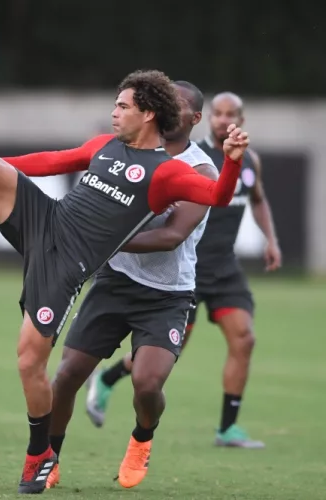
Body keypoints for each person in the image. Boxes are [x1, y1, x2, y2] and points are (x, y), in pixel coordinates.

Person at [0, 70, 248, 494]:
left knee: (29, 362)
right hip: (46, 221)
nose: (113, 113)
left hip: (69, 265)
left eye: (122, 106)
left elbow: (218, 196)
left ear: (147, 114)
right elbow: (52, 161)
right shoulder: (105, 146)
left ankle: (40, 455)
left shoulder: (167, 173)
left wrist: (232, 160)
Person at [45, 81, 218, 490]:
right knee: (67, 374)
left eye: (179, 106)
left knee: (146, 384)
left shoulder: (200, 170)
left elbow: (171, 236)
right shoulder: (125, 152)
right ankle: (47, 457)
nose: (166, 109)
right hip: (115, 280)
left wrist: (98, 239)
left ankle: (142, 438)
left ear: (194, 119)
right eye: (162, 102)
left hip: (167, 294)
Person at [86, 91, 281, 450]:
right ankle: (109, 377)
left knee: (245, 338)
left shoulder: (248, 160)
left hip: (225, 267)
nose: (224, 119)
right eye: (218, 113)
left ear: (242, 117)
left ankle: (227, 429)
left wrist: (271, 239)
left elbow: (258, 198)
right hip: (186, 271)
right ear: (207, 118)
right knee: (163, 355)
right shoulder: (193, 158)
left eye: (231, 113)